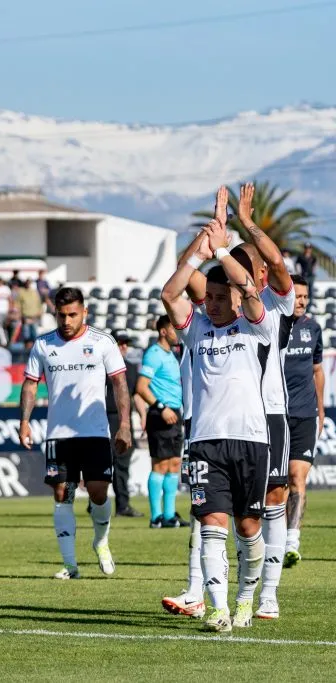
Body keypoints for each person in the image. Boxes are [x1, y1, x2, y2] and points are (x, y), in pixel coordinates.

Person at [183, 185, 296, 621]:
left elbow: (279, 266)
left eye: (253, 264)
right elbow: (187, 281)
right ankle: (203, 593)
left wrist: (244, 226)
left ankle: (267, 594)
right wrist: (212, 235)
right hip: (219, 419)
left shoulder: (274, 302)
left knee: (270, 504)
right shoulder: (222, 303)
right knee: (211, 512)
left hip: (267, 416)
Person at [161, 218, 272, 633]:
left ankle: (245, 600)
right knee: (211, 526)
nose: (212, 305)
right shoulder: (197, 330)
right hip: (206, 442)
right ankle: (218, 609)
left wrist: (223, 250)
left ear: (236, 299)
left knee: (248, 528)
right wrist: (198, 255)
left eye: (221, 298)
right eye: (209, 298)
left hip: (251, 440)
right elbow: (169, 294)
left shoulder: (256, 326)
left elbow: (250, 290)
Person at [19, 287, 130, 580]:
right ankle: (70, 565)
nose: (66, 321)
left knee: (98, 492)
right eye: (61, 315)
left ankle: (101, 541)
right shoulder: (43, 344)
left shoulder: (103, 342)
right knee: (61, 493)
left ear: (84, 312)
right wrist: (24, 421)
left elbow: (119, 384)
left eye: (72, 314)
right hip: (59, 434)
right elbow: (30, 384)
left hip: (95, 432)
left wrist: (125, 424)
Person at [282, 274, 324, 568]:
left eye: (305, 297)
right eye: (297, 296)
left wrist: (320, 410)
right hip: (275, 415)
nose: (302, 301)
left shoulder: (313, 328)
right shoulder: (272, 326)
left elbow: (317, 370)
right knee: (277, 484)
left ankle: (291, 542)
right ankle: (273, 539)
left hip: (305, 415)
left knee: (297, 477)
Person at [137, 316, 186, 528]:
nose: (178, 333)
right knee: (160, 464)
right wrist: (160, 407)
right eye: (174, 329)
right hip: (160, 413)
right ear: (163, 331)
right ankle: (156, 517)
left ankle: (169, 515)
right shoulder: (154, 354)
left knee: (174, 463)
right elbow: (141, 387)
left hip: (174, 412)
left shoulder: (171, 355)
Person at [106, 332, 142, 518]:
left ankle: (122, 505)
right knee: (101, 465)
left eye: (126, 343)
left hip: (124, 421)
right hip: (104, 418)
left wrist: (143, 415)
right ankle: (96, 502)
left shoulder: (131, 368)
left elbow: (136, 394)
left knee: (122, 464)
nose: (124, 347)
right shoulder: (101, 367)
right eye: (120, 343)